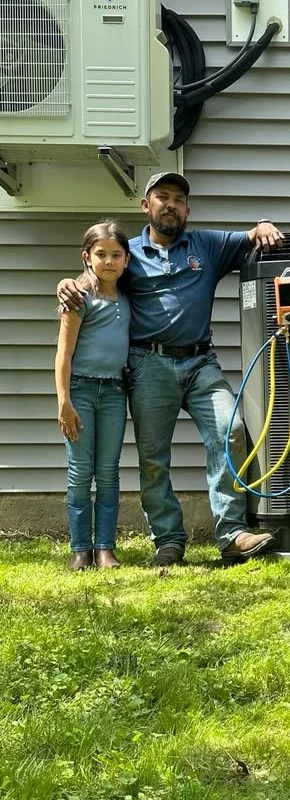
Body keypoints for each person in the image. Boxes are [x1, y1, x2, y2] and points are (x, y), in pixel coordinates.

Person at [56, 172, 284, 566]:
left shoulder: (206, 245)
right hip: (148, 364)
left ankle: (232, 533)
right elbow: (94, 277)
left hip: (201, 362)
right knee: (153, 457)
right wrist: (66, 282)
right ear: (146, 205)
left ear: (187, 210)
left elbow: (251, 237)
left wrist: (262, 224)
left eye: (179, 199)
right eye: (163, 197)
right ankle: (168, 541)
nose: (171, 204)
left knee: (230, 430)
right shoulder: (127, 253)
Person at [55, 221, 131, 571]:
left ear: (126, 260)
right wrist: (64, 402)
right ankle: (81, 549)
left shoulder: (128, 298)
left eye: (116, 255)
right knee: (81, 472)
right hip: (81, 392)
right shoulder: (78, 299)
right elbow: (64, 353)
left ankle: (105, 549)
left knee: (109, 472)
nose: (109, 261)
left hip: (114, 393)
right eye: (101, 254)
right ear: (87, 257)